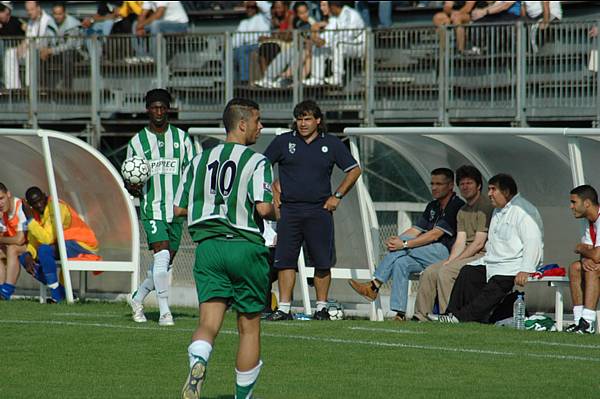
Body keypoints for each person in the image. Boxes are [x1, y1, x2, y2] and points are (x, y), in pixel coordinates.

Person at [174, 98, 277, 399]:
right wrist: (278, 210)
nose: (261, 127)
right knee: (249, 328)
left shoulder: (198, 160)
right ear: (242, 124)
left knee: (208, 323)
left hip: (208, 249)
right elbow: (264, 207)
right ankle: (242, 396)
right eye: (258, 121)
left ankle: (199, 362)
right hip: (245, 247)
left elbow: (180, 209)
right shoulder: (258, 162)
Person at [265, 100, 362, 321]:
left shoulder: (332, 143)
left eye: (307, 119)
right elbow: (261, 165)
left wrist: (337, 196)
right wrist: (273, 191)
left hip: (319, 211)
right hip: (289, 211)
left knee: (322, 261)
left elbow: (355, 170)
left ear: (318, 120)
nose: (303, 123)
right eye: (299, 119)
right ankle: (284, 308)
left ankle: (321, 308)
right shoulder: (283, 142)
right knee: (285, 260)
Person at [349, 168, 465, 320]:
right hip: (426, 252)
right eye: (432, 183)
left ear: (450, 186)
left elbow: (434, 234)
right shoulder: (433, 205)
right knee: (401, 263)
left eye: (439, 184)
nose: (434, 187)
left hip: (445, 252)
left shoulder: (456, 205)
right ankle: (400, 314)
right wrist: (397, 240)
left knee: (402, 250)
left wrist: (403, 244)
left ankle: (374, 285)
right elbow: (416, 230)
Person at [125, 88, 196, 326]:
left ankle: (137, 298)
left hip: (175, 211)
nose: (158, 112)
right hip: (152, 208)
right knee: (162, 256)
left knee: (163, 265)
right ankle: (165, 311)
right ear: (148, 109)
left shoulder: (182, 139)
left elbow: (192, 173)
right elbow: (131, 178)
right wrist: (133, 187)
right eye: (154, 107)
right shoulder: (137, 142)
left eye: (162, 107)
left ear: (168, 110)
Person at [439, 173, 543, 324]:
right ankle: (451, 313)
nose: (489, 194)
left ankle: (462, 318)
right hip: (493, 262)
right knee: (468, 272)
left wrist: (526, 269)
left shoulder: (524, 211)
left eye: (493, 189)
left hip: (513, 266)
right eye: (489, 189)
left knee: (497, 284)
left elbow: (533, 242)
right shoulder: (498, 210)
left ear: (506, 192)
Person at [413, 165, 492, 321]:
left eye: (469, 183)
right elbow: (460, 240)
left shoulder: (485, 207)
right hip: (466, 254)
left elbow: (478, 243)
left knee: (446, 272)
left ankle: (449, 315)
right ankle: (420, 316)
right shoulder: (462, 210)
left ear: (479, 186)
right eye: (462, 184)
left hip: (482, 254)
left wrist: (454, 263)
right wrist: (450, 260)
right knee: (430, 271)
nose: (465, 187)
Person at [19, 186, 99, 303]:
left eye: (40, 200)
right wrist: (29, 253)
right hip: (64, 245)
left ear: (44, 195)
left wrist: (30, 220)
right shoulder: (36, 215)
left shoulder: (57, 207)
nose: (39, 205)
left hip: (83, 244)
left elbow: (47, 239)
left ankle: (57, 295)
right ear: (30, 205)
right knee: (23, 258)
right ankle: (62, 292)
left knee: (44, 250)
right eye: (34, 203)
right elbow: (34, 241)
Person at [254, 1, 317, 88]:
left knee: (298, 55)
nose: (304, 15)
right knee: (284, 55)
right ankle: (267, 78)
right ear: (297, 14)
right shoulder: (297, 22)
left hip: (309, 49)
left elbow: (311, 40)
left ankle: (284, 78)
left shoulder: (311, 22)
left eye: (306, 12)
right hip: (298, 47)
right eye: (301, 13)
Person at [565, 185, 600, 334]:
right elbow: (589, 251)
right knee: (575, 267)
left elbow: (596, 255)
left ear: (586, 203)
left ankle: (588, 322)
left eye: (574, 202)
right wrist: (585, 256)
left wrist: (580, 249)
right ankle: (578, 320)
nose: (571, 206)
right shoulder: (586, 220)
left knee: (593, 270)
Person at [305, 1, 364, 87]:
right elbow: (326, 37)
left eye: (328, 6)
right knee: (317, 48)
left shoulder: (350, 14)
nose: (325, 8)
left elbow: (347, 36)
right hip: (342, 44)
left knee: (338, 45)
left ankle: (337, 78)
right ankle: (317, 78)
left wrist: (325, 42)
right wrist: (316, 37)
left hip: (358, 45)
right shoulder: (334, 18)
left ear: (333, 6)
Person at [5, 1, 57, 89]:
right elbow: (28, 38)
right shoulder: (31, 22)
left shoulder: (48, 21)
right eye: (27, 10)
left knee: (30, 52)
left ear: (38, 8)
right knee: (10, 53)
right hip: (32, 50)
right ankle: (13, 87)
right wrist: (21, 47)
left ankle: (30, 86)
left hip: (45, 52)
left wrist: (28, 46)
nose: (29, 12)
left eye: (32, 9)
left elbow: (48, 41)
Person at [39, 2, 81, 90]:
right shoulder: (50, 24)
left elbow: (70, 45)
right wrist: (43, 49)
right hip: (57, 53)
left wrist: (50, 51)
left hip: (76, 53)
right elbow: (45, 39)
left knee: (67, 54)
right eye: (55, 14)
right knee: (39, 55)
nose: (57, 16)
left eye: (60, 14)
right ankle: (43, 87)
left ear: (65, 13)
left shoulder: (73, 25)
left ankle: (67, 87)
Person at [0, 183, 28, 300]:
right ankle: (1, 289)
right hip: (21, 246)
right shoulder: (3, 214)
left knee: (12, 248)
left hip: (35, 246)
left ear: (9, 194)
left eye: (1, 198)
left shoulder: (21, 206)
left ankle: (7, 290)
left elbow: (20, 239)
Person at [232, 1, 271, 84]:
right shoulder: (244, 22)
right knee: (233, 52)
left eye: (252, 7)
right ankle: (233, 82)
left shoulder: (263, 17)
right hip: (247, 46)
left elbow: (267, 8)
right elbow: (236, 39)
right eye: (248, 7)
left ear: (256, 8)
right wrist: (229, 47)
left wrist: (255, 2)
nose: (250, 9)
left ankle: (244, 80)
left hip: (260, 44)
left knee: (242, 50)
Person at [0, 1, 25, 88]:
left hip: (21, 51)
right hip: (6, 52)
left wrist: (23, 44)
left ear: (6, 12)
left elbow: (29, 32)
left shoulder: (16, 21)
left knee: (10, 54)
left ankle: (14, 88)